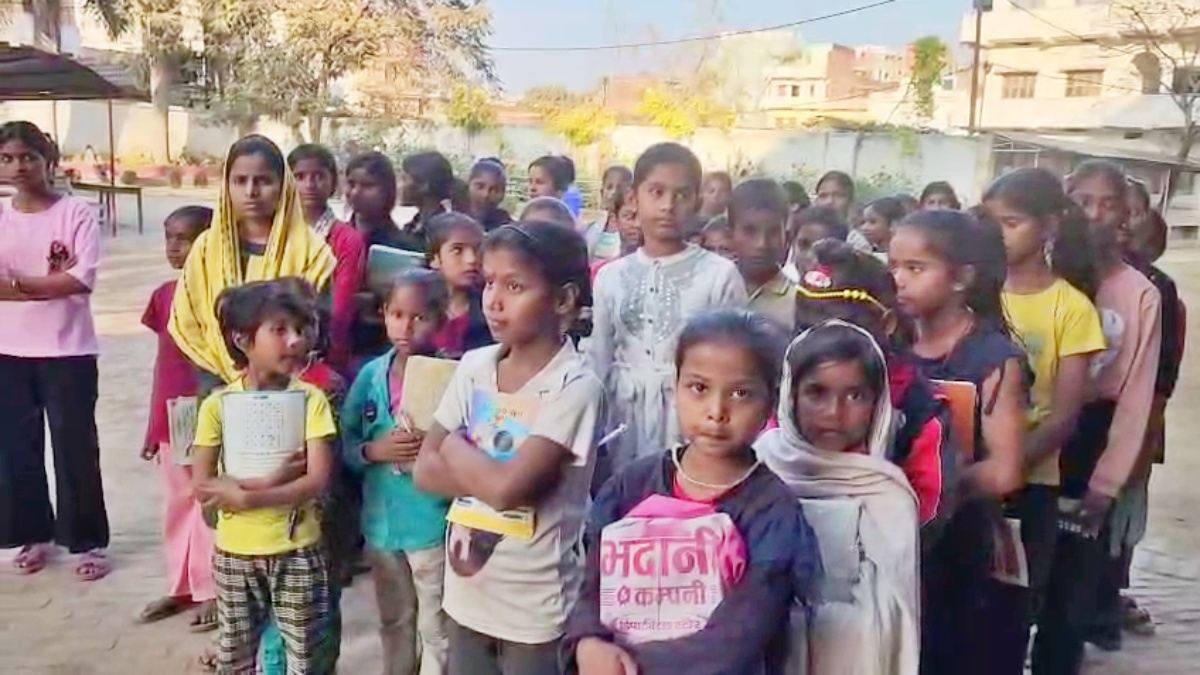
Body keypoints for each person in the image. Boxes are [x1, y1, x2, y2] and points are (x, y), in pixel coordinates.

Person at [566, 310, 820, 674]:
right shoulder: (630, 485)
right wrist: (587, 640)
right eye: (699, 388)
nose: (716, 412)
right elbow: (590, 583)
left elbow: (742, 632)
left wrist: (629, 665)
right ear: (676, 388)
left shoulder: (772, 509)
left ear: (769, 404)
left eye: (740, 393)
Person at [413, 221, 604, 675]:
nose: (493, 301)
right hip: (466, 593)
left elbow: (506, 491)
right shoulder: (475, 366)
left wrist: (453, 443)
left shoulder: (574, 386)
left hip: (534, 608)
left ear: (563, 300)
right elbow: (423, 471)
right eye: (489, 282)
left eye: (514, 286)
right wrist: (486, 471)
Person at [1031, 162, 1162, 673]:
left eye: (1108, 205)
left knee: (1069, 596)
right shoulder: (1039, 279)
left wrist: (1107, 483)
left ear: (1125, 215)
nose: (1095, 214)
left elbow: (1135, 396)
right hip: (1032, 441)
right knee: (1012, 586)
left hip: (1091, 444)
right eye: (1084, 201)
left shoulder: (1141, 294)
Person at [889, 209, 1029, 674]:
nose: (899, 280)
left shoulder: (993, 359)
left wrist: (930, 490)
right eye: (894, 266)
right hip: (901, 546)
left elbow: (1005, 470)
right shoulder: (890, 346)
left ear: (962, 278)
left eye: (916, 268)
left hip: (962, 547)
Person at [983, 168, 1108, 655]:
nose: (999, 235)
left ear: (1049, 226)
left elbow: (1063, 417)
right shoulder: (975, 294)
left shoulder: (1071, 309)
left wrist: (1009, 468)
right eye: (992, 222)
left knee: (1010, 621)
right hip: (968, 482)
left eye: (1012, 222)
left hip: (1031, 486)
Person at [757, 320, 921, 675]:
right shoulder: (758, 471)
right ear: (790, 395)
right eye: (817, 393)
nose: (834, 413)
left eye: (855, 396)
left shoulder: (885, 494)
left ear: (878, 405)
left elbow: (894, 620)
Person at [190, 280, 336, 673]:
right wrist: (272, 482)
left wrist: (247, 496)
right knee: (235, 655)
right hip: (235, 553)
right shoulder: (218, 405)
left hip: (297, 549)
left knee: (306, 656)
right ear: (242, 340)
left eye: (300, 330)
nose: (295, 341)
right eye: (279, 330)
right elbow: (202, 484)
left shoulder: (311, 400)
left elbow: (317, 480)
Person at [588, 142, 747, 472]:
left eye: (682, 195)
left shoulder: (719, 275)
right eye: (656, 192)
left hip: (690, 418)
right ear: (634, 198)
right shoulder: (611, 276)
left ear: (697, 202)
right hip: (623, 418)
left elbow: (735, 363)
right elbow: (599, 355)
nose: (668, 206)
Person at [0, 121, 110, 581]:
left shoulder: (76, 214)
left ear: (49, 161)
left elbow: (80, 279)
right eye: (7, 158)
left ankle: (88, 542)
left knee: (74, 446)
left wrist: (16, 286)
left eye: (28, 156)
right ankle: (34, 536)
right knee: (16, 450)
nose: (18, 167)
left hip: (69, 351)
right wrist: (47, 285)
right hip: (8, 352)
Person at [793, 240, 952, 533]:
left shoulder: (918, 407)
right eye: (806, 329)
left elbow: (929, 510)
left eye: (842, 331)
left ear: (886, 323)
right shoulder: (780, 390)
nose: (822, 346)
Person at [343, 269, 453, 675]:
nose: (406, 327)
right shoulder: (371, 375)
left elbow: (472, 441)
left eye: (419, 317)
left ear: (440, 320)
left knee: (435, 622)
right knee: (395, 618)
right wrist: (371, 451)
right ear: (384, 314)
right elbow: (345, 438)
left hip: (430, 520)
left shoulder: (454, 377)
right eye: (397, 314)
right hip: (381, 525)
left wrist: (436, 445)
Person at [169, 134, 336, 388]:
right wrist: (229, 380)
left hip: (291, 386)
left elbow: (316, 328)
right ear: (226, 186)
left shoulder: (311, 252)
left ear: (284, 185)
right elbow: (189, 323)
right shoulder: (205, 249)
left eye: (263, 181)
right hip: (216, 382)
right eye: (240, 181)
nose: (251, 192)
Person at [137, 205, 218, 629]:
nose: (174, 247)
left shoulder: (224, 294)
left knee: (208, 498)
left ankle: (212, 589)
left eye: (185, 238)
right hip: (174, 413)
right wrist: (154, 422)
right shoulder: (163, 296)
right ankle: (181, 584)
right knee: (177, 500)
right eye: (169, 237)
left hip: (209, 409)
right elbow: (163, 362)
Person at [288, 144, 367, 372]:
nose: (309, 185)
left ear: (333, 183)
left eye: (319, 176)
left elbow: (341, 307)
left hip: (324, 353)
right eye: (299, 177)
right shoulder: (276, 233)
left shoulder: (346, 239)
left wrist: (328, 355)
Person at [425, 212, 493, 358]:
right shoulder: (416, 305)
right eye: (457, 250)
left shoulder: (491, 309)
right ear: (434, 258)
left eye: (478, 250)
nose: (471, 259)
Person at [728, 179, 793, 329]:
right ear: (730, 234)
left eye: (773, 232)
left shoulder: (798, 302)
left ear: (786, 235)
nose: (762, 244)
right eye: (749, 231)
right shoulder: (714, 286)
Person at [347, 152, 413, 251]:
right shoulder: (332, 238)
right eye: (351, 184)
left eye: (367, 185)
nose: (355, 192)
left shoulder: (400, 247)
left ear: (387, 190)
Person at [399, 151, 456, 252]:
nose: (399, 185)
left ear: (424, 185)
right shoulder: (415, 224)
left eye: (404, 179)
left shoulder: (441, 231)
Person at [782, 205, 850, 282]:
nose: (809, 255)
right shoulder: (780, 282)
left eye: (822, 249)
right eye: (803, 245)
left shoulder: (852, 285)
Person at [580, 165, 633, 263]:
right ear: (602, 192)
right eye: (609, 187)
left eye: (619, 188)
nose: (613, 192)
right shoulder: (590, 227)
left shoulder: (633, 230)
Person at [589, 185, 640, 282]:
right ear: (615, 219)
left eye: (643, 217)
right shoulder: (600, 273)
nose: (637, 224)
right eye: (629, 217)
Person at [815, 170, 873, 254]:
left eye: (838, 195)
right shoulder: (804, 235)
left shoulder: (856, 242)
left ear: (850, 200)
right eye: (823, 196)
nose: (829, 201)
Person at [465, 159, 512, 232]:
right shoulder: (452, 220)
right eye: (480, 187)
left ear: (503, 194)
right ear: (468, 185)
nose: (485, 194)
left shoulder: (508, 229)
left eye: (494, 190)